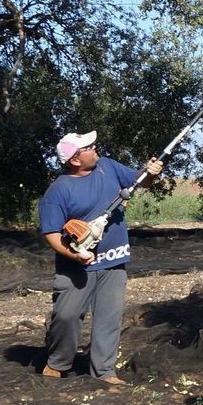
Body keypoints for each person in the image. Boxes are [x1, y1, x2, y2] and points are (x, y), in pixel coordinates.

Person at [37, 131, 163, 385]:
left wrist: (151, 173)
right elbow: (51, 234)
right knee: (66, 316)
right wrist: (75, 254)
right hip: (76, 267)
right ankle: (58, 362)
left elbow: (141, 183)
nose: (95, 148)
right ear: (75, 159)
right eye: (88, 147)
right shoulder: (58, 191)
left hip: (114, 262)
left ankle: (105, 372)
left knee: (109, 318)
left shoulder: (108, 166)